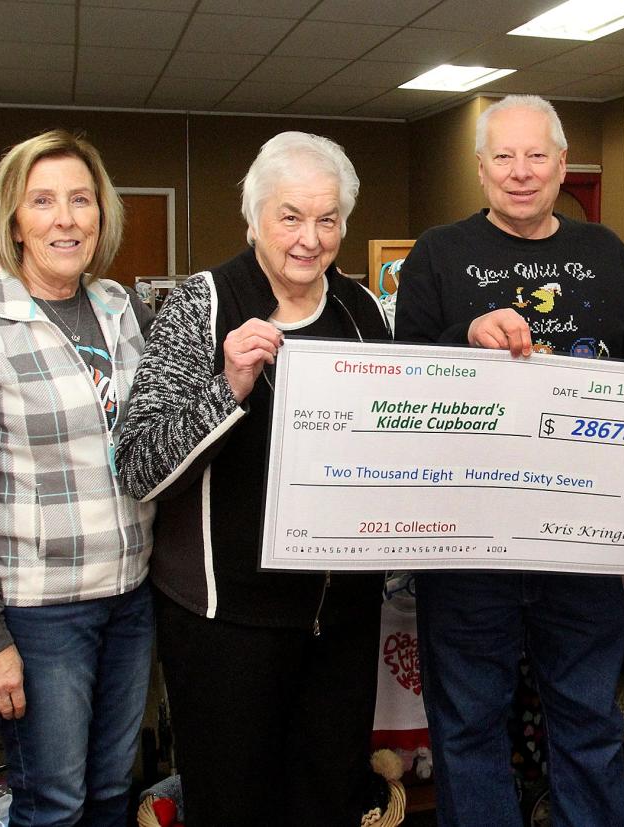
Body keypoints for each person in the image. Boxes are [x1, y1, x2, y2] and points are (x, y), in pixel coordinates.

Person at [116, 132, 392, 826]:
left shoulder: (361, 313)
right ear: (253, 220)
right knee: (235, 806)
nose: (310, 237)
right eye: (290, 216)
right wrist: (228, 385)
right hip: (226, 624)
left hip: (339, 624)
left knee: (330, 801)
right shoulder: (202, 304)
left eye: (328, 219)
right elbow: (139, 462)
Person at [394, 94, 624, 827]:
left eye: (538, 155)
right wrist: (464, 334)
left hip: (581, 545)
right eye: (503, 155)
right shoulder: (437, 254)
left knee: (590, 721)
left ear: (564, 164)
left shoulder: (608, 255)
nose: (521, 171)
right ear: (479, 168)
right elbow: (403, 383)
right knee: (468, 726)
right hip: (469, 543)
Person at [0, 129, 155, 826]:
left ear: (101, 214)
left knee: (114, 787)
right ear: (14, 220)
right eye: (43, 200)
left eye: (81, 199)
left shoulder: (121, 308)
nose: (66, 218)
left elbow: (154, 442)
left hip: (130, 597)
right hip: (39, 612)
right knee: (53, 801)